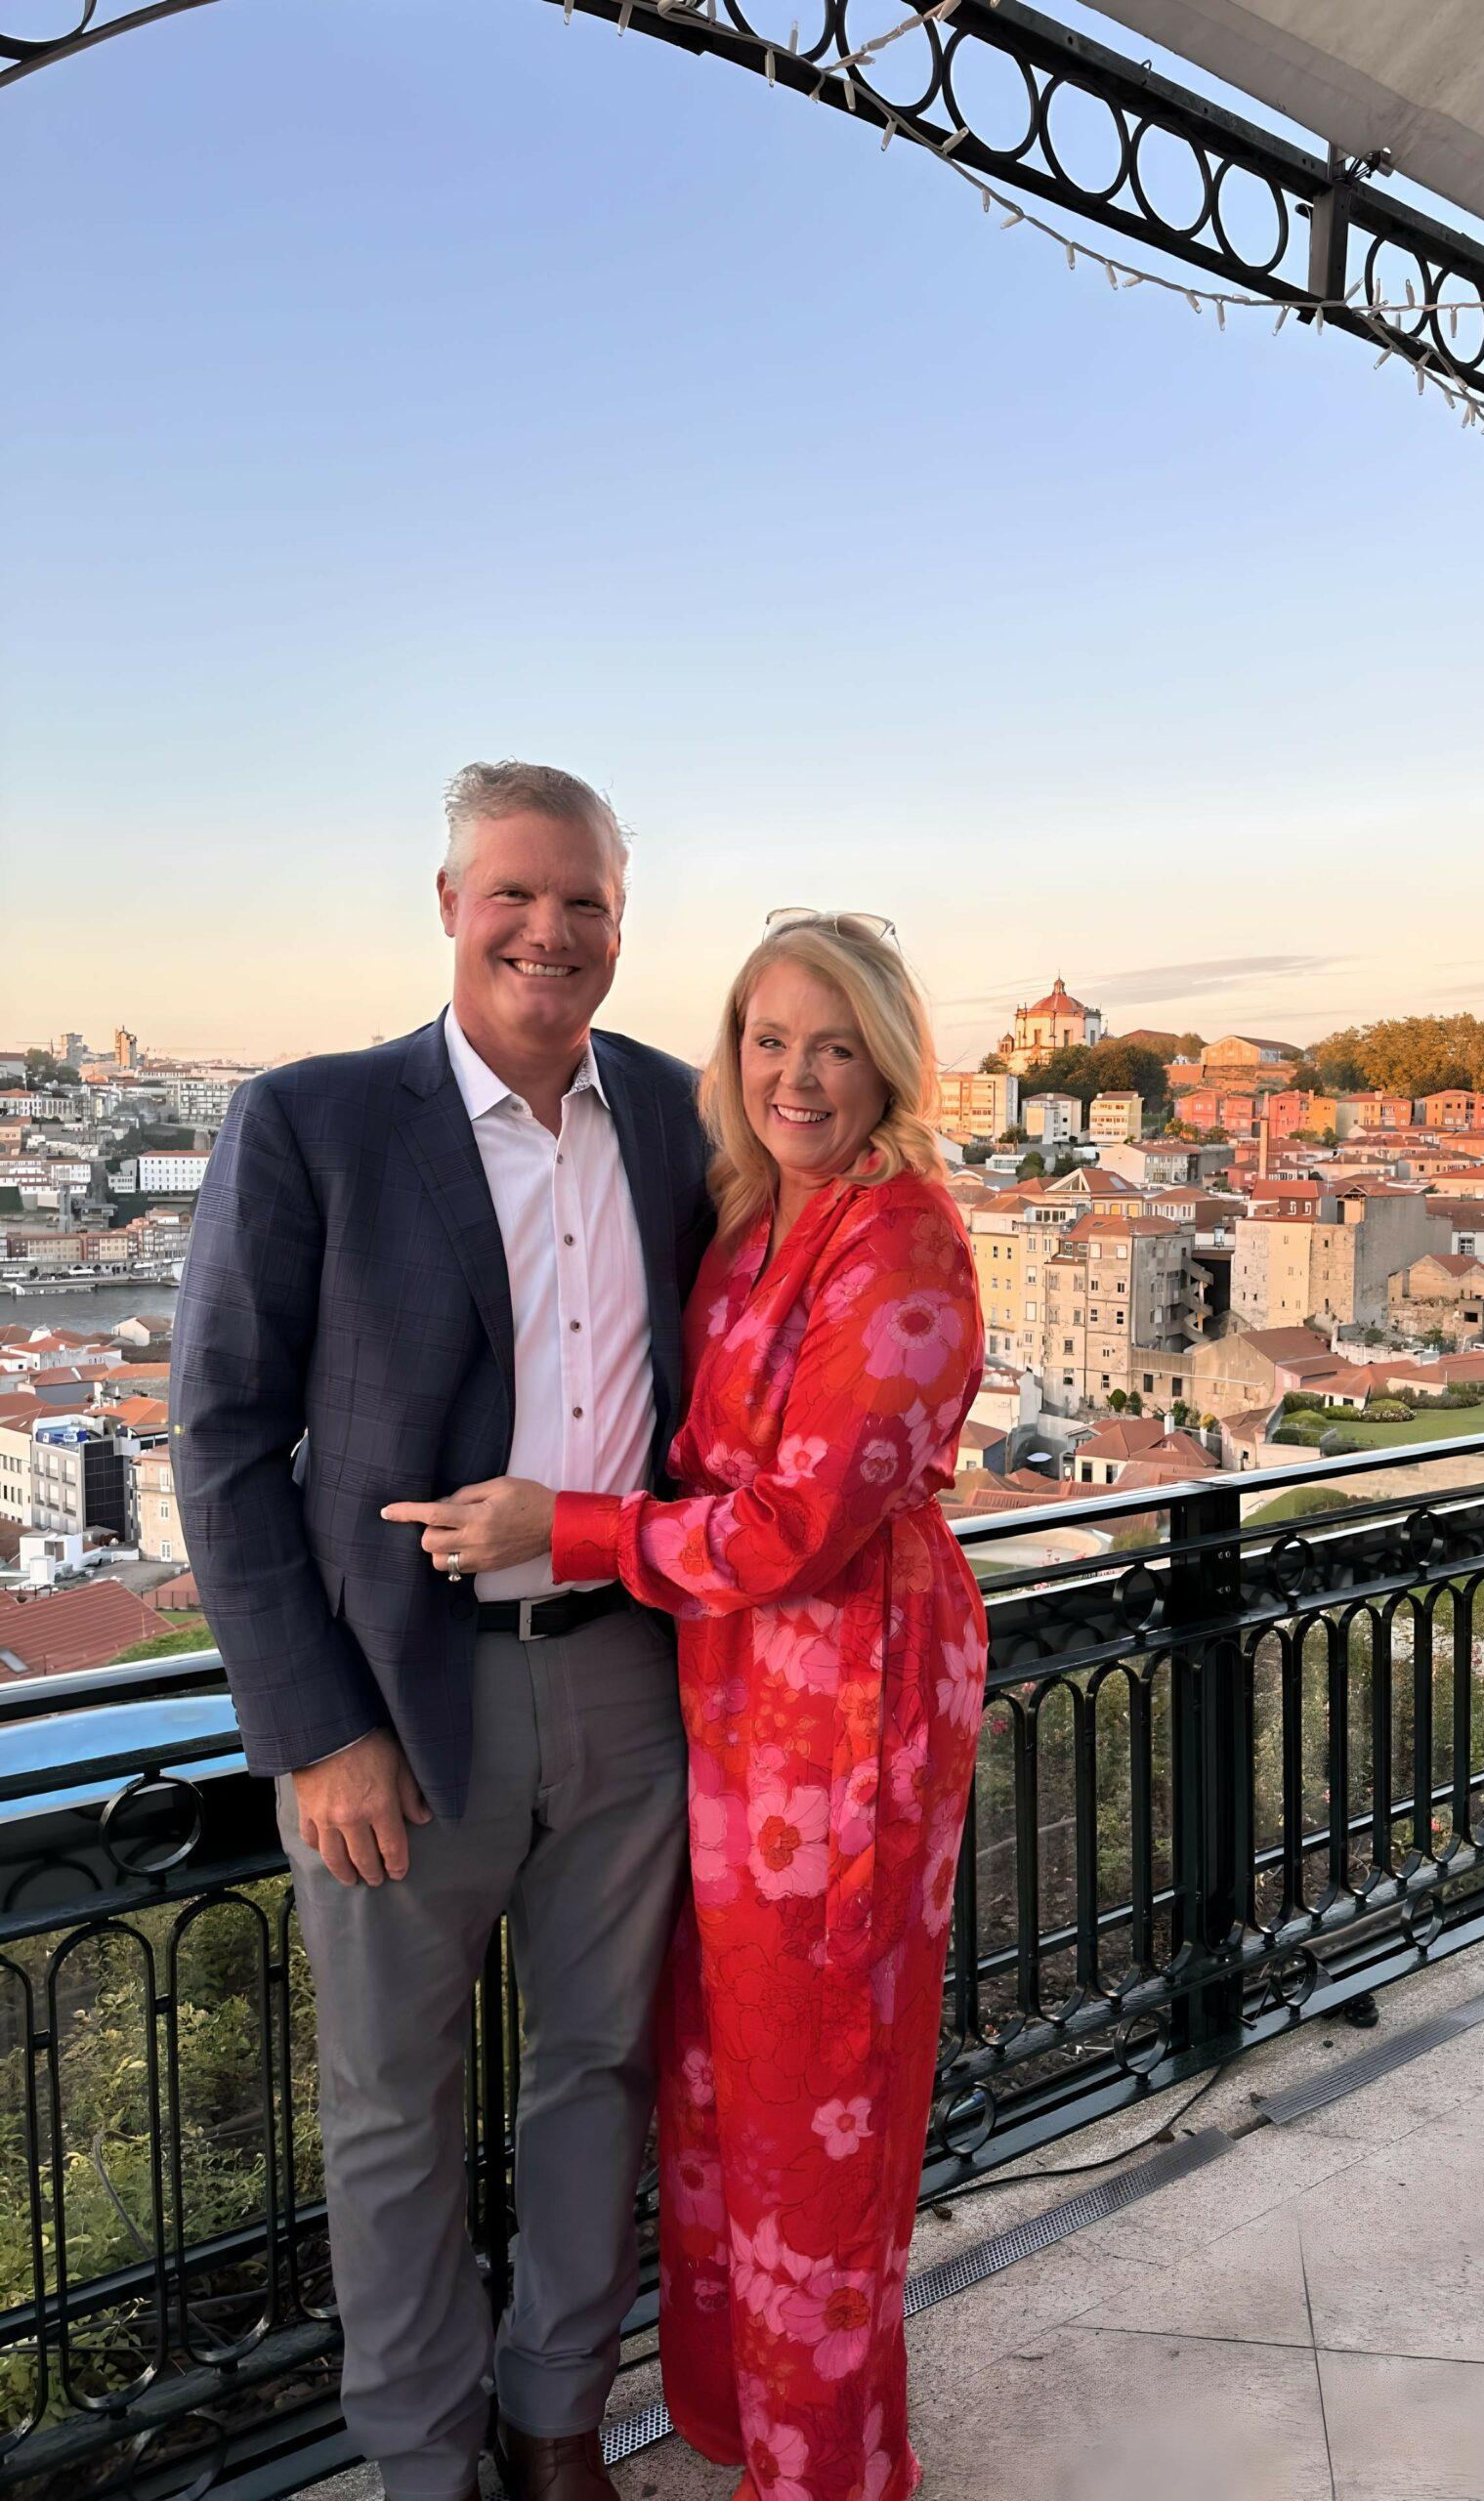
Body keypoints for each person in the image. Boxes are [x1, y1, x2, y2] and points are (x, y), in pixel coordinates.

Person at [385, 911, 989, 2501]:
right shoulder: (755, 1214)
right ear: (731, 1056)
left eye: (834, 1044)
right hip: (726, 1704)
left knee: (821, 2118)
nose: (797, 1074)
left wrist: (556, 1528)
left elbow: (797, 1525)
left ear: (888, 1062)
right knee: (723, 2100)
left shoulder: (902, 1237)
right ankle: (743, 2431)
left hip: (846, 1697)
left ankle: (831, 2473)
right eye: (768, 1040)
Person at [173, 761, 715, 2501]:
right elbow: (223, 1440)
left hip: (629, 1676)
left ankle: (558, 2425)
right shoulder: (315, 1120)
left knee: (599, 2072)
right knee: (394, 2114)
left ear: (624, 928)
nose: (549, 932)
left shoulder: (681, 1116)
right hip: (398, 1708)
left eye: (587, 905)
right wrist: (312, 1729)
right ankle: (424, 2463)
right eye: (517, 895)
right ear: (449, 904)